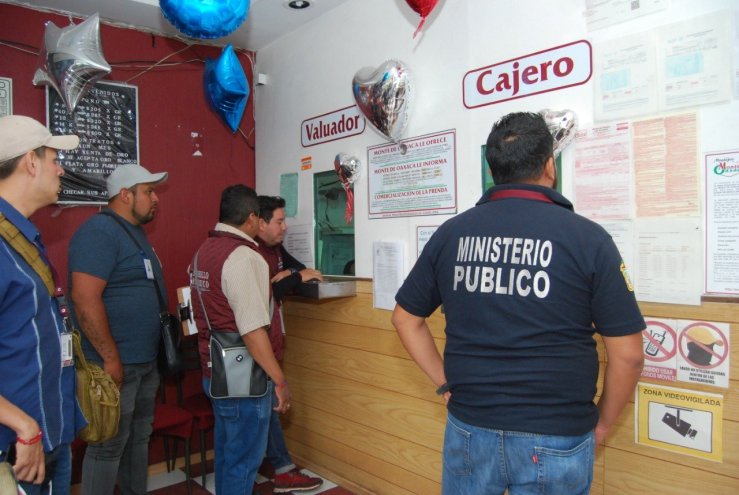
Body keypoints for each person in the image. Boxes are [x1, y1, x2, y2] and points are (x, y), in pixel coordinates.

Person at [391, 112, 645, 495]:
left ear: (494, 170)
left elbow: (404, 319)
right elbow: (629, 356)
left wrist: (445, 383)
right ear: (549, 166)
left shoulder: (451, 234)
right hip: (557, 432)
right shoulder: (589, 239)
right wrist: (605, 424)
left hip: (470, 427)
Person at [68, 163, 168, 495]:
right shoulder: (99, 232)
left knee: (138, 438)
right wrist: (110, 359)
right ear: (125, 195)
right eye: (149, 191)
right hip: (113, 364)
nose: (156, 198)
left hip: (144, 362)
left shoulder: (135, 233)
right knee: (107, 445)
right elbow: (84, 300)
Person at [0, 115, 85, 495]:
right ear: (30, 162)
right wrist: (23, 425)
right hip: (18, 448)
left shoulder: (20, 237)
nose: (60, 169)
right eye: (53, 158)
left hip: (49, 435)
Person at [190, 185, 291, 495]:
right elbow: (252, 331)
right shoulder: (244, 257)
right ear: (251, 218)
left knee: (228, 455)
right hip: (243, 373)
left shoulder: (203, 251)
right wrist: (279, 380)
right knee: (244, 461)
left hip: (215, 367)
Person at [255, 195, 323, 493]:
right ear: (260, 223)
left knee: (269, 403)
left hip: (271, 339)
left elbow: (302, 270)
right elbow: (267, 292)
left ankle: (281, 468)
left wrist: (288, 276)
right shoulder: (251, 251)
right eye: (279, 221)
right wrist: (286, 281)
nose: (284, 227)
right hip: (254, 343)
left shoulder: (275, 248)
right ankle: (281, 468)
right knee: (268, 402)